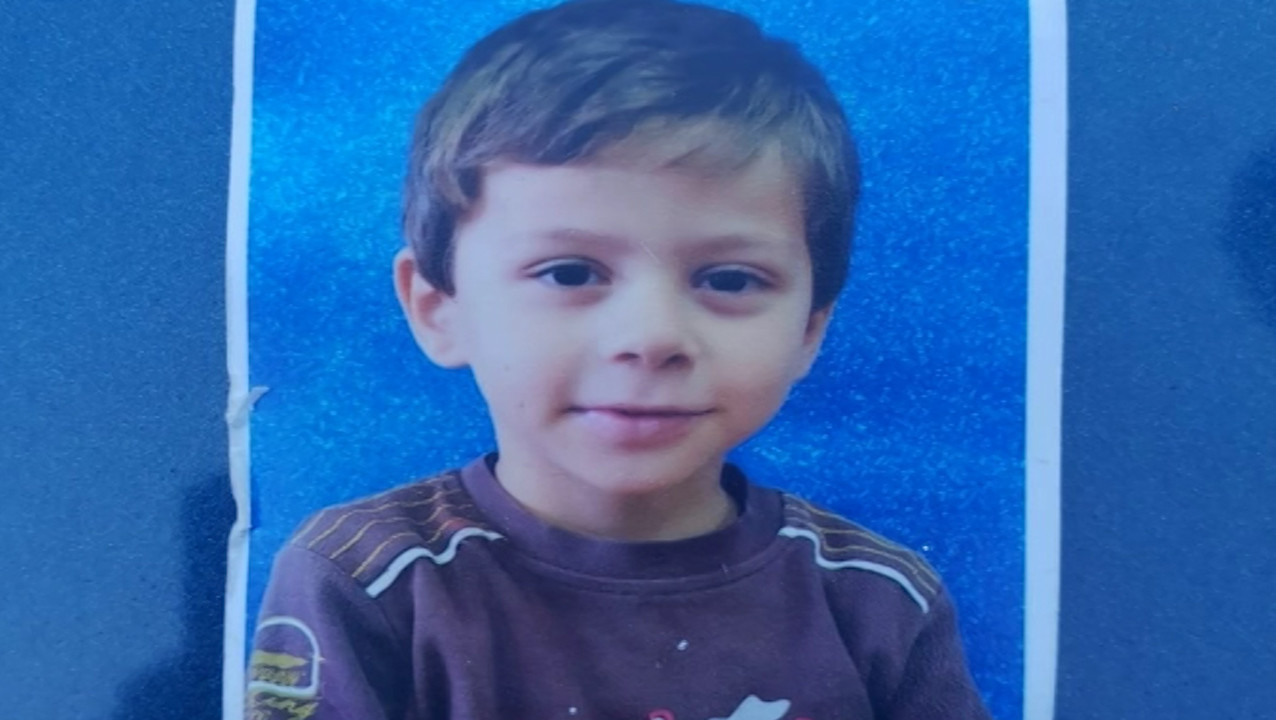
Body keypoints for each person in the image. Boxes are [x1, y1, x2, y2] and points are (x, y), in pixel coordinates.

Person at [246, 0, 992, 718]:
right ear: (439, 307)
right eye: (570, 272)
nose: (652, 335)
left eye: (730, 280)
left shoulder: (877, 599)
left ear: (809, 329)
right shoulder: (365, 581)